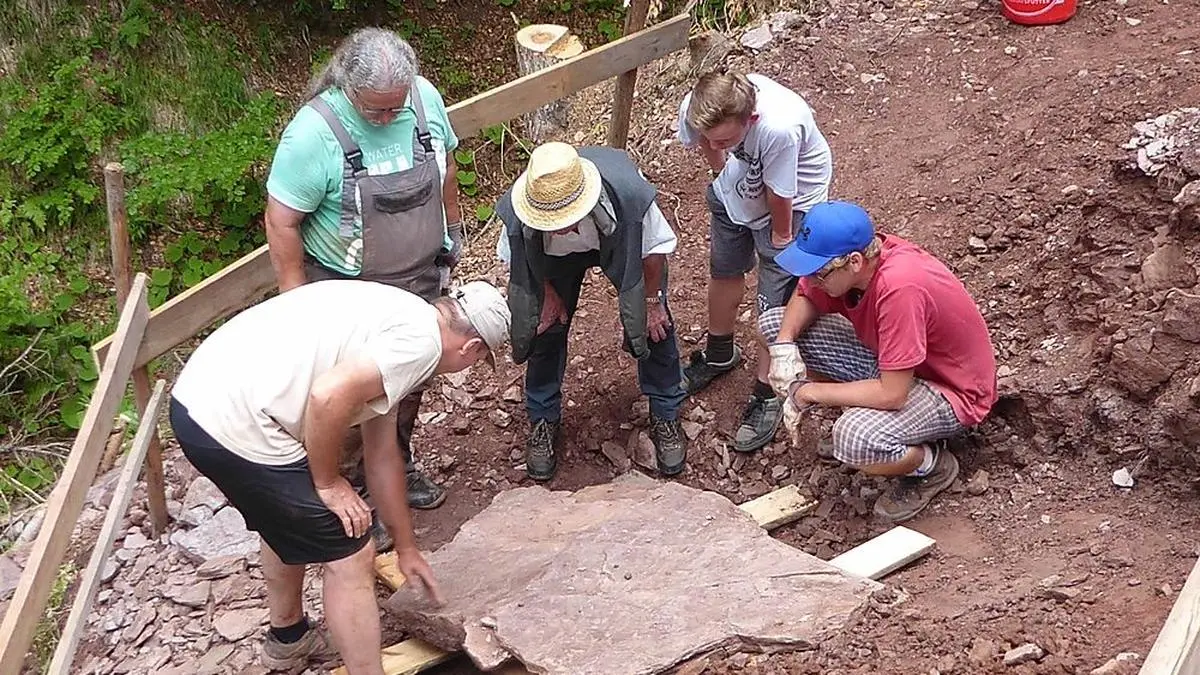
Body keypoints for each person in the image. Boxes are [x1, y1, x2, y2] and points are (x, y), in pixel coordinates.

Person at [169, 279, 511, 674]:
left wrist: (405, 548)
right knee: (352, 552)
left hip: (201, 395)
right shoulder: (420, 347)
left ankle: (288, 638)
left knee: (286, 514)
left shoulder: (406, 316)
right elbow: (327, 396)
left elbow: (382, 456)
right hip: (233, 421)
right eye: (476, 360)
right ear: (471, 349)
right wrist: (328, 483)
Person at [263, 27, 462, 510]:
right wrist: (297, 302)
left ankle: (398, 463)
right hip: (346, 292)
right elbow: (282, 221)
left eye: (396, 107)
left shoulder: (425, 98)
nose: (390, 116)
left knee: (410, 379)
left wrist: (454, 229)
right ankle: (347, 491)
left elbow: (448, 165)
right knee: (352, 398)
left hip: (418, 278)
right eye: (377, 110)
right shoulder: (313, 134)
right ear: (346, 88)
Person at [760, 200, 997, 522]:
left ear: (854, 262)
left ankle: (932, 465)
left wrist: (806, 392)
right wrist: (785, 346)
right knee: (776, 326)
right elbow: (804, 295)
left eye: (818, 272)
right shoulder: (854, 264)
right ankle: (879, 423)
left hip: (951, 389)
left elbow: (892, 394)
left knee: (855, 439)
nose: (812, 279)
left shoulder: (900, 288)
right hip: (897, 363)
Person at [495, 142, 688, 480]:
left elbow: (654, 252)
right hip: (552, 261)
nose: (560, 227)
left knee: (653, 324)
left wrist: (652, 301)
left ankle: (666, 410)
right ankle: (543, 418)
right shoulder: (518, 212)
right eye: (551, 221)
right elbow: (521, 262)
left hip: (616, 237)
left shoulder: (629, 197)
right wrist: (547, 295)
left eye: (566, 219)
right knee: (544, 327)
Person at [675, 71, 833, 456]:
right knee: (724, 269)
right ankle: (719, 352)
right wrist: (722, 174)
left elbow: (781, 194)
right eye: (710, 137)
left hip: (790, 205)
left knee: (772, 298)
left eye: (727, 140)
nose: (716, 144)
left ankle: (768, 390)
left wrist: (781, 240)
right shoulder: (699, 107)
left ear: (752, 120)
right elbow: (706, 145)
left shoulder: (778, 128)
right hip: (739, 192)